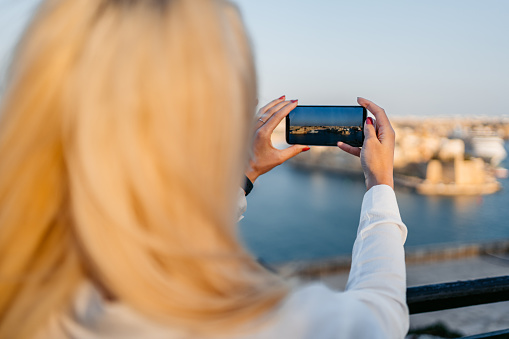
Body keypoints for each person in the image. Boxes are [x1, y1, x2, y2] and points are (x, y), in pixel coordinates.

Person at [0, 0, 408, 338]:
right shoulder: (248, 323)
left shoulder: (28, 292)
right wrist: (381, 185)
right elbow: (381, 318)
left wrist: (242, 175)